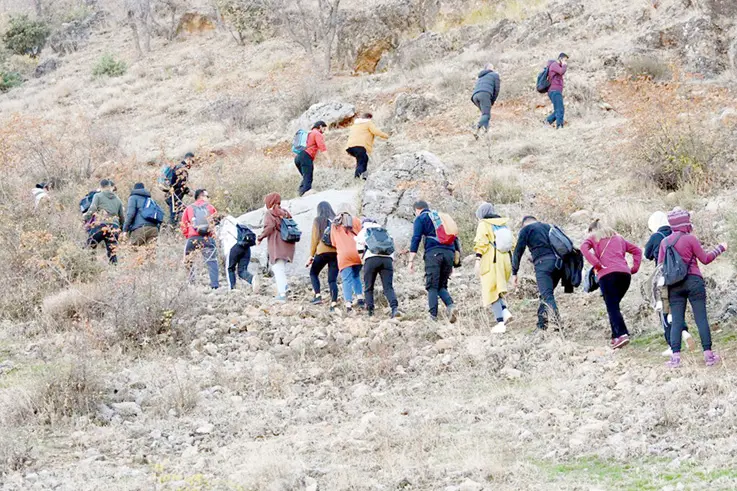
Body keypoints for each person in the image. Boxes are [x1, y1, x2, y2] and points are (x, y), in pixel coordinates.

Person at [658, 209, 727, 368]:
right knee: (701, 318)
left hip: (674, 285)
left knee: (676, 321)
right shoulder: (690, 239)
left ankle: (675, 358)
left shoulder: (665, 242)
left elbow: (661, 266)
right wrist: (720, 248)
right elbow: (706, 259)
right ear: (685, 223)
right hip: (694, 281)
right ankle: (709, 356)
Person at [581, 219, 642, 349]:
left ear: (592, 230)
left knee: (612, 306)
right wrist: (634, 268)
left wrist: (596, 264)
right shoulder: (619, 238)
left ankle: (622, 335)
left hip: (607, 275)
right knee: (613, 305)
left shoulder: (593, 237)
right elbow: (637, 250)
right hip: (625, 275)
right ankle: (615, 336)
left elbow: (583, 248)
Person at [644, 211, 694, 356]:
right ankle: (683, 331)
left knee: (664, 310)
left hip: (663, 278)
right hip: (681, 276)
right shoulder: (676, 233)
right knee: (676, 308)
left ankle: (672, 345)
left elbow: (647, 254)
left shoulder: (656, 236)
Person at [408, 201, 458, 323]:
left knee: (432, 285)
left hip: (434, 254)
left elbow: (416, 238)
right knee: (442, 284)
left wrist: (411, 260)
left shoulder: (421, 218)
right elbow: (455, 238)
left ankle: (432, 317)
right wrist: (455, 260)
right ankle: (451, 306)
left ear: (417, 210)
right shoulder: (442, 218)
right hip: (449, 253)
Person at [511, 216, 561, 330]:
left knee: (547, 296)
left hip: (543, 265)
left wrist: (514, 272)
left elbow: (518, 252)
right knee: (545, 295)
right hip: (559, 265)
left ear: (524, 224)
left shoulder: (526, 230)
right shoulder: (549, 226)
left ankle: (557, 325)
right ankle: (541, 325)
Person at [473, 203, 513, 333]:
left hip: (492, 260)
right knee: (498, 287)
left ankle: (500, 322)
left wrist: (478, 259)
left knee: (491, 290)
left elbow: (481, 242)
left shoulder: (484, 224)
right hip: (505, 259)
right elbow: (513, 243)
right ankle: (505, 312)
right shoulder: (502, 223)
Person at [356, 217, 399, 318]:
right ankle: (394, 308)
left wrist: (363, 261)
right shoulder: (384, 231)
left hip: (371, 259)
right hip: (387, 260)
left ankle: (370, 312)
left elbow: (359, 249)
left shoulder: (364, 231)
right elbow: (392, 247)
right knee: (388, 287)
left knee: (369, 287)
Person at [257, 193, 295, 301]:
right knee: (281, 268)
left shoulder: (270, 213)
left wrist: (260, 237)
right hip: (288, 244)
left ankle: (282, 294)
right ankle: (285, 288)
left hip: (277, 244)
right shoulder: (285, 212)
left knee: (278, 269)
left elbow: (269, 227)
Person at [181, 189, 219, 289]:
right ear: (201, 196)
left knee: (188, 260)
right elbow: (216, 222)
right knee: (212, 261)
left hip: (193, 238)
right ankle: (215, 285)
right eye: (207, 196)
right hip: (207, 238)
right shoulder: (210, 208)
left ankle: (192, 282)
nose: (208, 198)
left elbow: (183, 224)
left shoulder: (189, 208)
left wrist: (188, 235)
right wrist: (212, 234)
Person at [330, 205, 364, 312]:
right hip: (357, 253)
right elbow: (363, 236)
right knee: (356, 275)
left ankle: (348, 304)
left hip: (344, 256)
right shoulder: (356, 220)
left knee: (346, 280)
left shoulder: (334, 224)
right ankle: (360, 298)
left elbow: (333, 242)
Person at [83, 179, 125, 264]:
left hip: (101, 225)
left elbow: (93, 209)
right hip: (114, 227)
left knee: (89, 246)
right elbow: (122, 217)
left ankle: (91, 266)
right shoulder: (118, 199)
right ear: (110, 187)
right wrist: (121, 228)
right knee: (112, 253)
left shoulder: (98, 196)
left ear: (100, 187)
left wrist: (85, 216)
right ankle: (114, 271)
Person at [307, 201, 339, 311]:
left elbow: (314, 239)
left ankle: (317, 296)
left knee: (313, 273)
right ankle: (333, 303)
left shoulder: (318, 220)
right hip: (335, 252)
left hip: (322, 251)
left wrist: (311, 255)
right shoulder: (336, 220)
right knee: (332, 280)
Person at [219, 215, 258, 291]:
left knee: (230, 268)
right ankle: (252, 279)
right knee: (242, 271)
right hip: (246, 247)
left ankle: (232, 289)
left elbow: (222, 238)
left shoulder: (225, 224)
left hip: (234, 247)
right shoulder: (238, 223)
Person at [345, 113, 389, 179]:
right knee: (362, 161)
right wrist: (387, 136)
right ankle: (357, 179)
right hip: (359, 146)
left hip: (350, 147)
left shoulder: (355, 124)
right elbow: (375, 131)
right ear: (369, 118)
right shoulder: (368, 123)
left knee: (363, 160)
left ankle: (364, 178)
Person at [295, 121, 327, 196]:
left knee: (305, 177)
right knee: (308, 179)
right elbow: (322, 147)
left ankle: (299, 194)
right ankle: (305, 197)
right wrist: (328, 159)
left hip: (298, 157)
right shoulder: (317, 133)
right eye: (324, 129)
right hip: (305, 157)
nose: (324, 131)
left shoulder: (309, 133)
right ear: (320, 127)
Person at [471, 63, 501, 138]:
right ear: (491, 68)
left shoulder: (480, 77)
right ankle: (476, 128)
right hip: (484, 94)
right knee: (486, 114)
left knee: (485, 115)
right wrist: (492, 101)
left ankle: (485, 133)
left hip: (475, 97)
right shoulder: (495, 75)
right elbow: (496, 89)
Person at [166, 152, 194, 226]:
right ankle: (170, 233)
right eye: (192, 161)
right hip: (175, 197)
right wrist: (188, 192)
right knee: (175, 217)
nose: (192, 164)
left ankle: (169, 231)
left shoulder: (177, 167)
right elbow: (180, 184)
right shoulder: (183, 169)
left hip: (171, 195)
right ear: (188, 159)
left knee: (175, 215)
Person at [545, 53, 568, 129]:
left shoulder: (556, 66)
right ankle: (560, 126)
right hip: (554, 90)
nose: (566, 62)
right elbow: (562, 71)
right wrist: (564, 65)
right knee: (560, 109)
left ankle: (547, 121)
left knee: (559, 109)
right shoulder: (554, 65)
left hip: (556, 91)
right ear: (560, 59)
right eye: (564, 60)